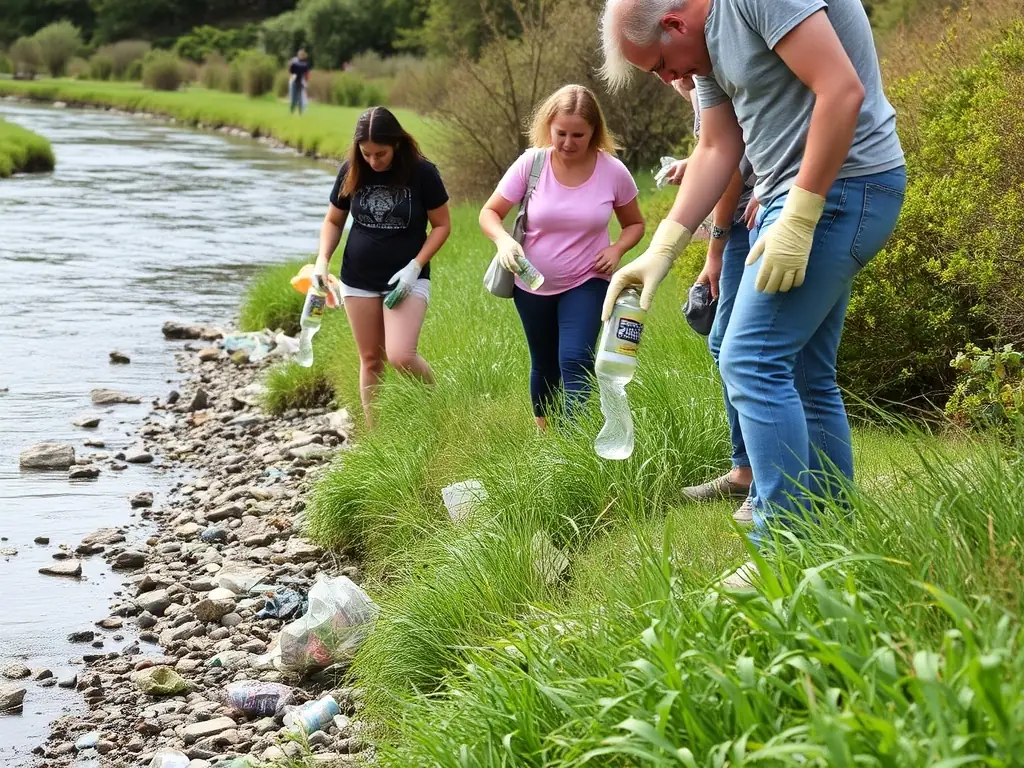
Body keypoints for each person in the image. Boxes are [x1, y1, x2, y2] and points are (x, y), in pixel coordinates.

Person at [599, 0, 907, 581]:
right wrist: (660, 252)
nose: (672, 81)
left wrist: (802, 210)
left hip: (845, 187)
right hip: (799, 199)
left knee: (751, 359)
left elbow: (841, 91)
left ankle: (782, 552)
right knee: (805, 375)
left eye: (662, 67)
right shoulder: (706, 47)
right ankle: (833, 545)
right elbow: (718, 147)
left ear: (674, 24)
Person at [479, 84, 645, 430]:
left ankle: (572, 445)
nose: (569, 143)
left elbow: (635, 224)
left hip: (587, 281)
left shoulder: (612, 171)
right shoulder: (532, 163)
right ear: (548, 128)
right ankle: (545, 437)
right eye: (561, 134)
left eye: (578, 135)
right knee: (544, 363)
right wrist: (503, 242)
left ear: (594, 132)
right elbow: (489, 213)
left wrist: (616, 250)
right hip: (531, 282)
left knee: (575, 358)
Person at [313, 107, 451, 428]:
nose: (374, 161)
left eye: (381, 154)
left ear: (397, 145)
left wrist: (416, 267)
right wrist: (322, 259)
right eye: (366, 154)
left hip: (407, 278)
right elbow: (334, 220)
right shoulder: (352, 169)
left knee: (401, 356)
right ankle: (377, 436)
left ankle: (437, 409)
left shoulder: (422, 173)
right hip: (358, 279)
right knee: (372, 359)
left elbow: (442, 226)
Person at [668, 77, 759, 524]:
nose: (672, 79)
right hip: (744, 218)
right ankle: (744, 469)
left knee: (744, 350)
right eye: (660, 72)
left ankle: (762, 480)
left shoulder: (713, 85)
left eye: (669, 65)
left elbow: (730, 172)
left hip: (747, 219)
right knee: (725, 344)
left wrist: (715, 247)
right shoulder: (702, 94)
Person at [289, 49, 311, 114]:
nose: (300, 55)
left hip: (301, 82)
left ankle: (300, 113)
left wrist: (306, 82)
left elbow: (307, 73)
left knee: (300, 98)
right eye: (299, 54)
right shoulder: (294, 61)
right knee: (293, 98)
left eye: (302, 54)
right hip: (294, 81)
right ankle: (291, 112)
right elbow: (290, 70)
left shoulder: (305, 63)